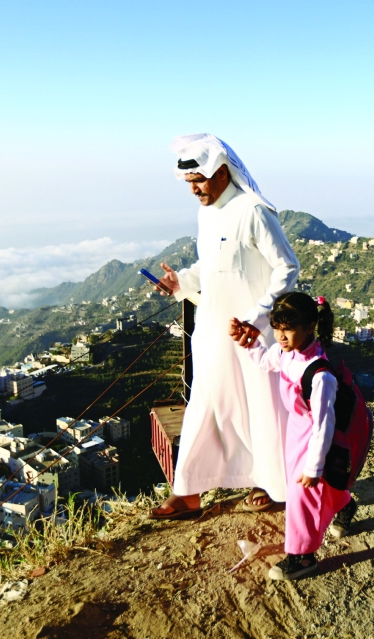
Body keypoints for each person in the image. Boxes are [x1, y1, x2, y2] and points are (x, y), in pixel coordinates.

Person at [149, 134, 300, 520]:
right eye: (188, 183)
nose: (194, 190)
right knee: (206, 405)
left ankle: (271, 484)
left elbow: (287, 268)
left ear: (220, 172)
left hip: (253, 335)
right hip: (214, 330)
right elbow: (212, 267)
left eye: (198, 180)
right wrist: (179, 281)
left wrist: (258, 316)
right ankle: (188, 492)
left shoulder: (253, 210)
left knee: (259, 408)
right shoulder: (207, 213)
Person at [232, 292, 355, 580]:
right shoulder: (286, 353)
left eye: (288, 328)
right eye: (277, 328)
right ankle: (346, 503)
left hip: (312, 438)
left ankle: (303, 556)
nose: (281, 336)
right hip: (295, 433)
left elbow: (324, 425)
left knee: (301, 495)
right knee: (306, 487)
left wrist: (314, 466)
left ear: (310, 326)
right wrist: (249, 341)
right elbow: (265, 361)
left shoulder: (320, 375)